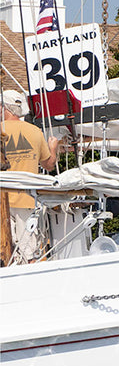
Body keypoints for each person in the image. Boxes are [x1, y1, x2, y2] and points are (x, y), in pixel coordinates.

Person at [2, 89, 61, 262]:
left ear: (4, 108)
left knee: (4, 251)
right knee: (29, 251)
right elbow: (49, 165)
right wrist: (53, 148)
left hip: (2, 201)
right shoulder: (35, 131)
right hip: (27, 199)